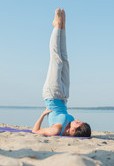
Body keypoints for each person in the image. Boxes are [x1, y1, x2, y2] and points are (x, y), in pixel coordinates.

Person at [32, 8, 91, 137]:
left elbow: (35, 131)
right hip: (64, 96)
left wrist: (42, 115)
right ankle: (62, 27)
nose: (77, 120)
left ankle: (57, 26)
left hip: (52, 95)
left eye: (78, 123)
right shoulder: (69, 123)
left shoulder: (57, 130)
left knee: (56, 60)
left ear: (73, 131)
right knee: (64, 60)